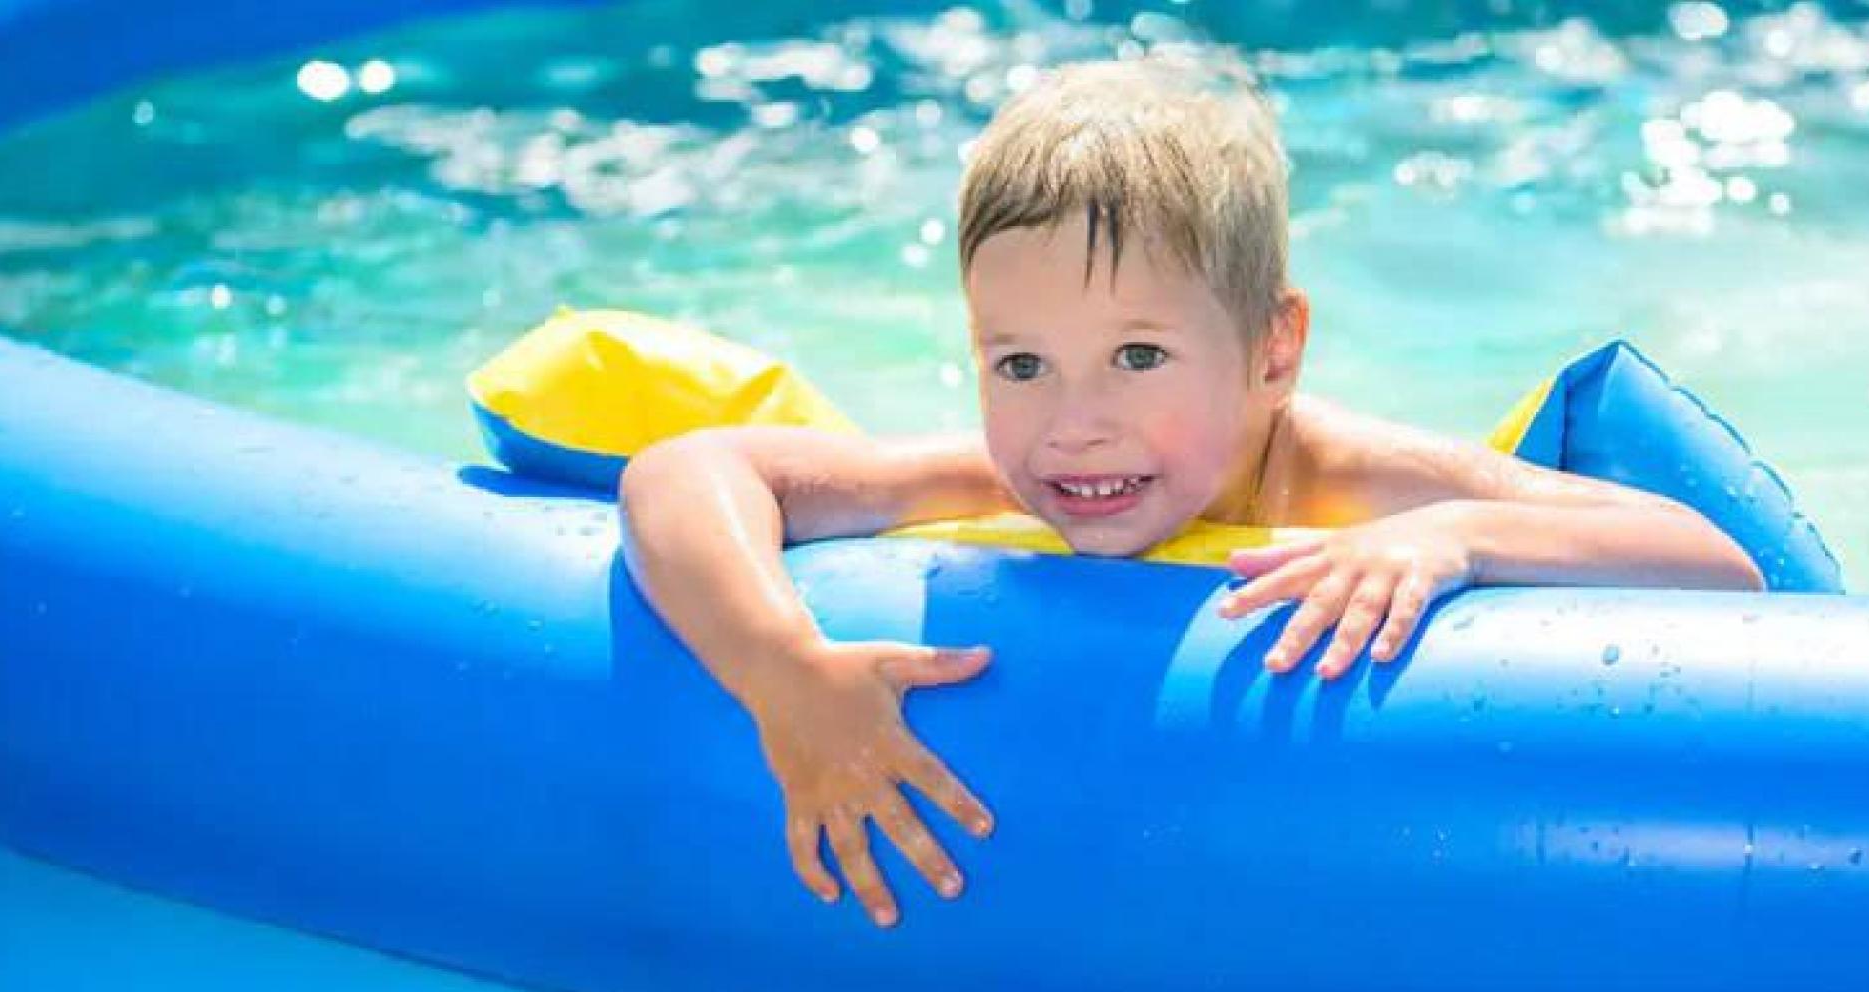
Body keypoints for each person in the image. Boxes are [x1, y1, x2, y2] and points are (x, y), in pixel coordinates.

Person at [619, 60, 1761, 929]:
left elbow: (1717, 567)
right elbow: (685, 472)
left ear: (1273, 352)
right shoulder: (1006, 471)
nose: (1076, 423)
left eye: (1139, 357)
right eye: (1020, 364)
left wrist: (1450, 539)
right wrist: (781, 673)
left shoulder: (1347, 478)